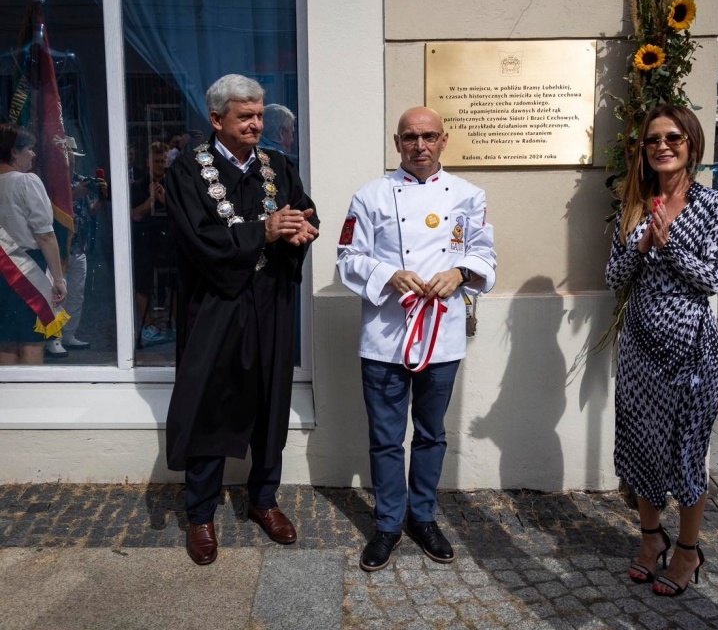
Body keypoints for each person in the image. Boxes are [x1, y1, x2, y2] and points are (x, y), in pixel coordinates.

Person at [164, 74, 319, 565]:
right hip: (216, 305)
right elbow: (199, 242)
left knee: (270, 402)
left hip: (270, 301)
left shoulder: (278, 166)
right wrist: (265, 230)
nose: (257, 125)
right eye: (246, 117)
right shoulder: (187, 172)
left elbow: (304, 209)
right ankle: (201, 514)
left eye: (260, 114)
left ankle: (264, 500)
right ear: (216, 120)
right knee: (210, 404)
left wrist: (301, 230)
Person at [337, 106, 496, 572]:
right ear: (396, 141)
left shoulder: (469, 194)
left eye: (428, 136)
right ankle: (387, 523)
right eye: (410, 137)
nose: (419, 145)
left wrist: (460, 272)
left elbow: (484, 252)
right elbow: (347, 258)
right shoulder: (370, 196)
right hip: (386, 335)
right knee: (386, 438)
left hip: (441, 334)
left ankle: (422, 516)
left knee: (430, 434)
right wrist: (389, 274)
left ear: (444, 140)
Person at [605, 105, 718, 596]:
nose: (662, 146)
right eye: (653, 139)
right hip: (639, 346)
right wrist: (640, 246)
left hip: (690, 351)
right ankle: (649, 538)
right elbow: (613, 278)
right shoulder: (634, 205)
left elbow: (715, 278)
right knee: (640, 444)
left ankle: (687, 550)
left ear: (692, 145)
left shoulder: (715, 205)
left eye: (673, 138)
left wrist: (671, 244)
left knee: (686, 450)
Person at [0, 124, 68, 365]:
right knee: (31, 341)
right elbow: (45, 235)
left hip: (3, 269)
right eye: (30, 149)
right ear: (13, 152)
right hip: (27, 270)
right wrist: (58, 279)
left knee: (5, 341)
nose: (34, 154)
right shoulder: (26, 181)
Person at [45, 137, 108, 357]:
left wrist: (100, 198)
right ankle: (53, 338)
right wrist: (74, 195)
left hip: (79, 246)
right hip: (58, 248)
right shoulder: (51, 183)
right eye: (67, 157)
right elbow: (50, 213)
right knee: (54, 294)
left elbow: (90, 211)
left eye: (72, 158)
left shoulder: (82, 180)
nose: (71, 162)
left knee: (76, 295)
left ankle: (69, 333)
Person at [130, 141, 176, 346]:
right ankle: (148, 326)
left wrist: (166, 200)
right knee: (144, 283)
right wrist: (150, 202)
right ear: (148, 162)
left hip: (170, 238)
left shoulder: (175, 183)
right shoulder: (138, 185)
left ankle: (171, 324)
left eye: (163, 160)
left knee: (173, 283)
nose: (160, 164)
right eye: (156, 161)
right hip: (145, 239)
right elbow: (134, 215)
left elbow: (184, 213)